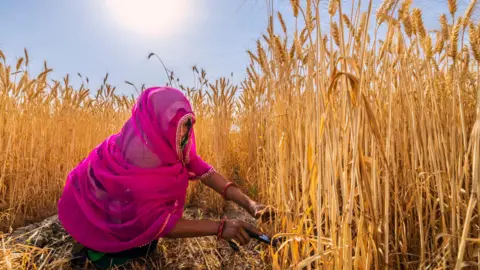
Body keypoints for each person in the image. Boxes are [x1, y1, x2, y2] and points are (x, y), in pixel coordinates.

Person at [57, 86, 274, 268]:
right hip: (106, 221)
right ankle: (92, 249)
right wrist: (220, 227)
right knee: (114, 256)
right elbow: (159, 222)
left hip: (130, 214)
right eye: (178, 128)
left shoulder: (174, 143)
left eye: (187, 127)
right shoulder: (139, 158)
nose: (184, 136)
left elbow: (205, 171)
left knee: (147, 246)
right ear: (155, 124)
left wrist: (251, 204)